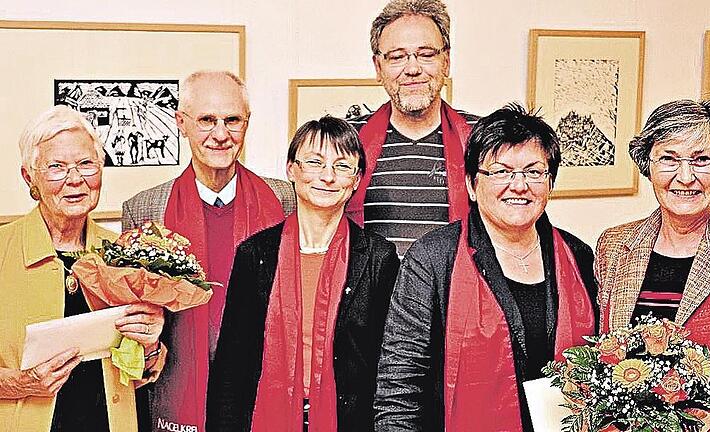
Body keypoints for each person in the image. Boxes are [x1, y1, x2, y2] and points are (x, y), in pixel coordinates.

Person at [374, 103, 598, 431]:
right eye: (501, 171)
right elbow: (399, 386)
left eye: (534, 172)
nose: (519, 185)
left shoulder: (578, 255)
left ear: (550, 183)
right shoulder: (433, 258)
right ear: (471, 185)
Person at [121, 70, 296, 431]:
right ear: (181, 123)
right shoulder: (144, 209)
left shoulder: (285, 199)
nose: (220, 134)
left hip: (263, 388)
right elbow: (135, 321)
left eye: (232, 120)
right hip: (177, 389)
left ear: (247, 123)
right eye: (207, 120)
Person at [207, 116, 400, 431]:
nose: (327, 177)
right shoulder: (254, 255)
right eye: (314, 162)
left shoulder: (378, 257)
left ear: (357, 179)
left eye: (342, 166)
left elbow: (389, 366)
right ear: (291, 169)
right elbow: (232, 364)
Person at [595, 99, 710, 430]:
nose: (685, 177)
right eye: (668, 160)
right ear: (648, 165)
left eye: (701, 160)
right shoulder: (614, 247)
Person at [0, 105, 164, 432]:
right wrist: (19, 384)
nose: (75, 179)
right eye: (57, 167)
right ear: (28, 176)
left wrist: (150, 347)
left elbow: (141, 373)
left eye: (86, 164)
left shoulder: (124, 252)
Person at [347, 0, 478, 257]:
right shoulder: (347, 141)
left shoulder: (483, 138)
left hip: (457, 294)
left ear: (446, 61)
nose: (413, 69)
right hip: (371, 297)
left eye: (426, 54)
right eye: (397, 57)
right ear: (378, 67)